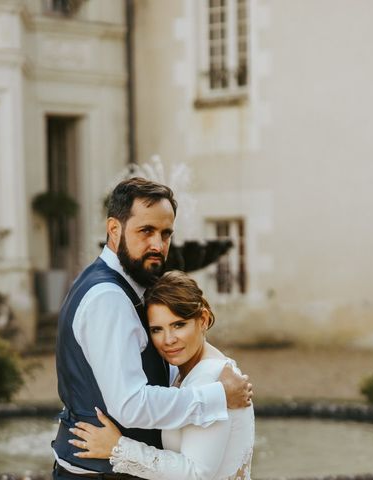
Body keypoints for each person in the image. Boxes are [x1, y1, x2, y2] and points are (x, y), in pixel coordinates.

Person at [52, 178, 252, 479]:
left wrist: (212, 367)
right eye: (146, 231)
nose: (158, 245)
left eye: (166, 233)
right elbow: (130, 405)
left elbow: (153, 363)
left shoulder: (123, 285)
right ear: (114, 229)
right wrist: (218, 396)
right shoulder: (109, 298)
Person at [69, 271, 254, 480]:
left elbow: (197, 474)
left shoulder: (210, 378)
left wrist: (117, 447)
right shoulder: (184, 371)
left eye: (178, 325)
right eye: (157, 329)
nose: (168, 340)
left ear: (202, 319)